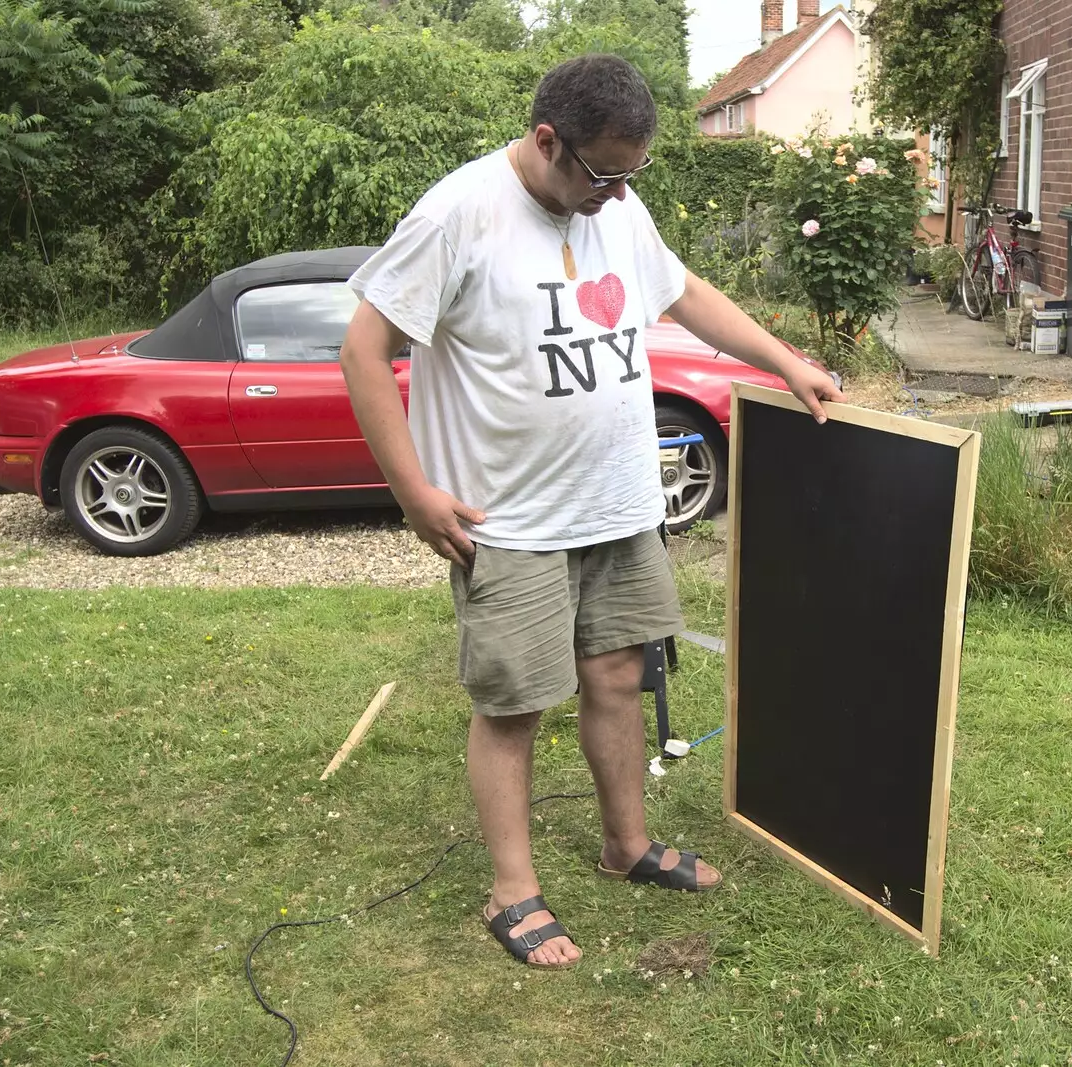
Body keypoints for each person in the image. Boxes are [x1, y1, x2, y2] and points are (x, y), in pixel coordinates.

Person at [338, 53, 843, 969]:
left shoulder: (618, 201)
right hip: (512, 520)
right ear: (547, 142)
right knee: (516, 703)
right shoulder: (458, 214)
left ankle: (626, 844)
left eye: (631, 176)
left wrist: (782, 359)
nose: (617, 195)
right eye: (605, 174)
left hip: (616, 504)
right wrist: (414, 491)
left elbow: (682, 293)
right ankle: (512, 891)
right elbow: (363, 352)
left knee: (618, 677)